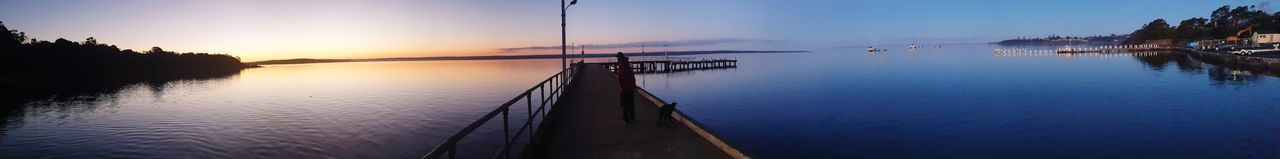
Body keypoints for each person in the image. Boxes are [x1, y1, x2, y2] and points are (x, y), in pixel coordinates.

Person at [615, 52, 637, 125]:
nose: (617, 59)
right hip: (631, 87)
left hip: (625, 87)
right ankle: (632, 118)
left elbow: (620, 77)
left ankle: (625, 119)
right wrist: (634, 85)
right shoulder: (627, 64)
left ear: (619, 58)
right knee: (631, 103)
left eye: (617, 58)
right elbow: (631, 76)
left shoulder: (621, 65)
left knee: (625, 104)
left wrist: (620, 87)